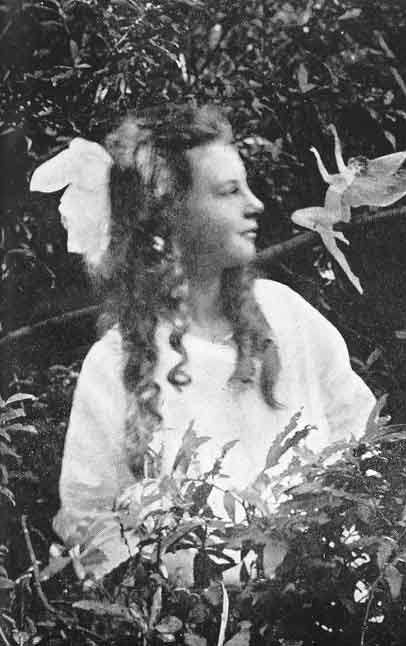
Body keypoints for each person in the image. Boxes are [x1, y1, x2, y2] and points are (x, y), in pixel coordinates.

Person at [30, 104, 375, 579]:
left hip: (326, 595)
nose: (255, 203)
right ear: (170, 214)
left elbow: (361, 440)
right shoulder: (114, 363)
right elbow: (92, 523)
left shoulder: (288, 317)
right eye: (229, 191)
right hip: (190, 612)